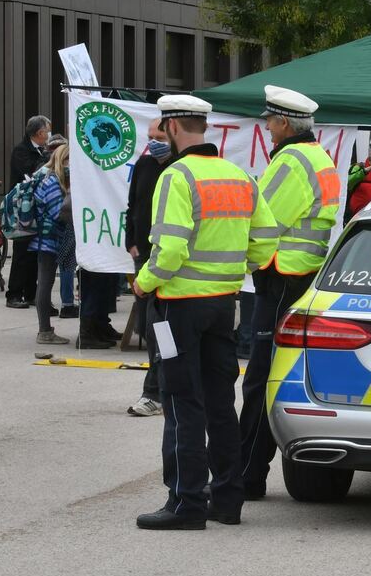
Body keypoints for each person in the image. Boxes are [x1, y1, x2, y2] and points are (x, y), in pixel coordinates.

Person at [133, 95, 280, 530]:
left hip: (178, 306)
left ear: (174, 127)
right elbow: (267, 240)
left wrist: (144, 281)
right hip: (223, 303)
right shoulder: (239, 175)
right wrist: (234, 270)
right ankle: (227, 500)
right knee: (220, 400)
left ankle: (187, 502)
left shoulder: (176, 177)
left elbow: (171, 248)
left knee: (182, 401)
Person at [240, 85, 338, 500]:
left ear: (283, 123)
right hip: (301, 276)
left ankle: (246, 475)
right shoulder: (317, 155)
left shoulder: (291, 160)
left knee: (260, 380)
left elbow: (263, 220)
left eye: (269, 119)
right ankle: (249, 472)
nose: (266, 125)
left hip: (282, 277)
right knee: (274, 377)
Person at [125, 119, 173, 416]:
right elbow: (133, 206)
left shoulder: (180, 169)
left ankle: (155, 392)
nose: (153, 140)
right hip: (143, 255)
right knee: (149, 327)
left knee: (160, 330)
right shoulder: (143, 166)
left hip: (166, 258)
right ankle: (164, 389)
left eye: (159, 136)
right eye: (150, 136)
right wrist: (130, 240)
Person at [5, 115, 51, 309]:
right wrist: (46, 159)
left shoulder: (42, 150)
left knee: (35, 253)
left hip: (38, 207)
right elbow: (29, 174)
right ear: (39, 133)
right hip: (22, 208)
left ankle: (31, 294)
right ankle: (14, 294)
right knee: (22, 252)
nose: (49, 135)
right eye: (47, 131)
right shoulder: (22, 151)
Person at [32, 144, 71, 345]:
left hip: (48, 239)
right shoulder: (52, 182)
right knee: (45, 284)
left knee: (45, 283)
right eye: (68, 161)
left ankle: (44, 329)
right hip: (48, 240)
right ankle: (44, 331)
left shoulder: (51, 179)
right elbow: (58, 213)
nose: (70, 165)